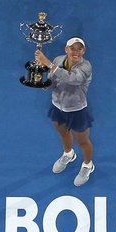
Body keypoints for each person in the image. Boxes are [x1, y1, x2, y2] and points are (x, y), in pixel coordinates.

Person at [34, 37, 95, 187]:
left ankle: (88, 165)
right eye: (72, 48)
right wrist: (42, 83)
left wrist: (48, 64)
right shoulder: (59, 60)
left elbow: (72, 79)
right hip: (57, 106)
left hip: (77, 110)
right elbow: (53, 80)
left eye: (79, 49)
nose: (76, 52)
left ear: (83, 51)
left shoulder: (86, 67)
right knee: (63, 133)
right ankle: (69, 154)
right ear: (66, 49)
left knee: (83, 141)